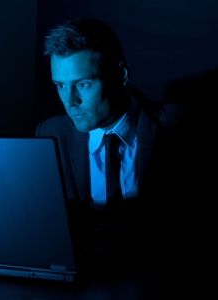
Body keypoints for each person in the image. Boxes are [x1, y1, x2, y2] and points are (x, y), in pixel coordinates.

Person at [35, 18, 193, 281]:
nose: (70, 101)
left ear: (121, 75)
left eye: (83, 84)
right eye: (60, 85)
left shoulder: (179, 126)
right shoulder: (50, 133)